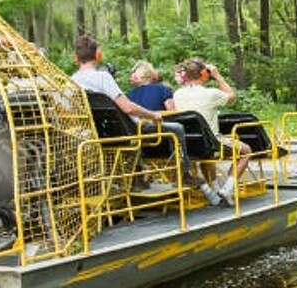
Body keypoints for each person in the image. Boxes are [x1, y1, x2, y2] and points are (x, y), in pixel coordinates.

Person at [171, 58, 247, 204]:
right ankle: (227, 189)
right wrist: (218, 77)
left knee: (206, 156)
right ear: (203, 74)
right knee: (246, 151)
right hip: (211, 143)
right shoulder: (211, 93)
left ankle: (215, 192)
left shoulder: (177, 94)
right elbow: (232, 98)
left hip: (189, 143)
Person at [70, 36, 161, 122]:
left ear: (75, 58)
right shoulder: (103, 77)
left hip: (91, 134)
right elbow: (128, 108)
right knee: (175, 129)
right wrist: (153, 115)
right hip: (127, 133)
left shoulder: (70, 82)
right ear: (98, 56)